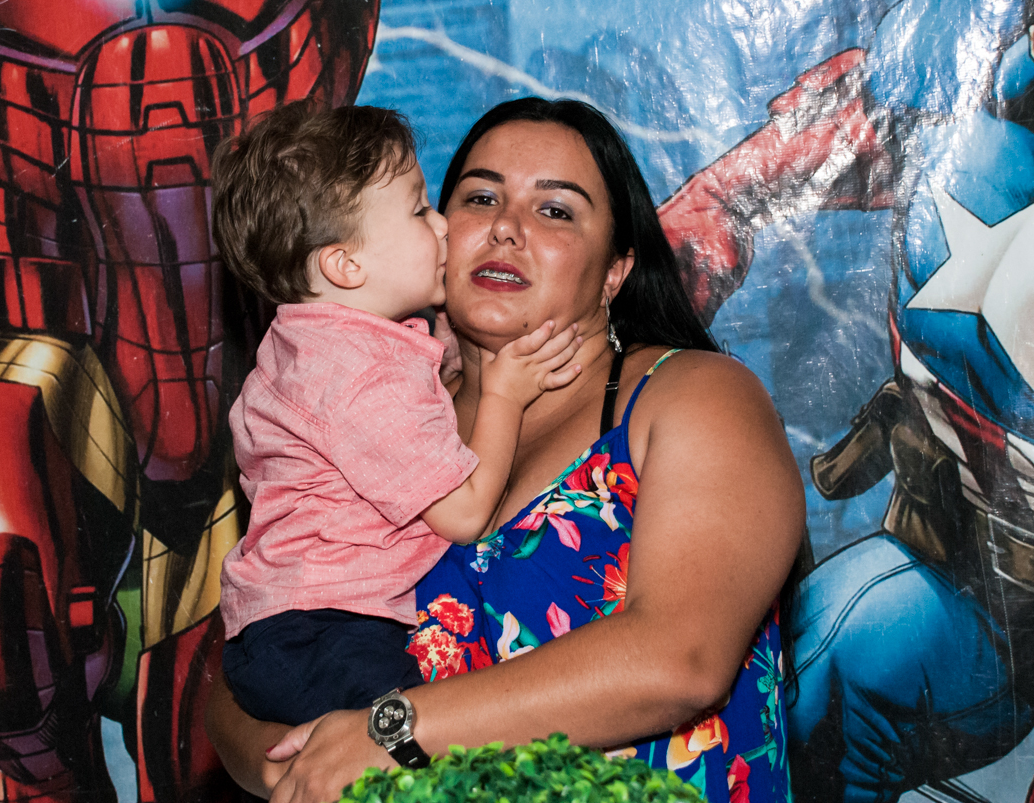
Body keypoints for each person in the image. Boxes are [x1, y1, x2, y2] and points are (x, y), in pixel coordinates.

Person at [205, 97, 806, 803]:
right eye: (480, 197)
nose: (505, 228)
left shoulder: (694, 396)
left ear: (614, 271)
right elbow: (245, 669)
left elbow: (682, 657)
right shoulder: (368, 413)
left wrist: (391, 728)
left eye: (555, 211)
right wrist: (286, 761)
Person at [210, 102, 583, 727]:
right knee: (417, 759)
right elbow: (463, 514)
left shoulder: (311, 344)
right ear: (345, 265)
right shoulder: (359, 374)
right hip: (327, 633)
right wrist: (503, 395)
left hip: (287, 632)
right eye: (418, 210)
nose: (442, 226)